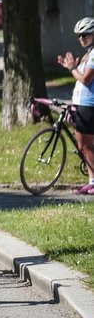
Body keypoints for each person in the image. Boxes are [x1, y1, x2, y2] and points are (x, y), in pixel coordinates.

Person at [58, 16, 94, 194]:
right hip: (83, 103)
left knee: (85, 145)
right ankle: (91, 180)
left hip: (89, 104)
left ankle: (93, 182)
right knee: (85, 145)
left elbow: (86, 79)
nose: (81, 38)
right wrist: (71, 67)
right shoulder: (89, 53)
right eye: (79, 36)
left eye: (85, 35)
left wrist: (73, 68)